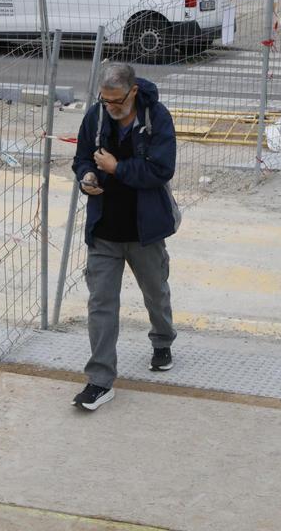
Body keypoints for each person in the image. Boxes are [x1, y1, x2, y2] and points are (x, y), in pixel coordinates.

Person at [71, 63, 178, 412]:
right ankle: (100, 381)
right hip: (104, 230)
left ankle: (162, 341)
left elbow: (162, 169)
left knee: (155, 291)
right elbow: (81, 159)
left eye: (117, 101)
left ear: (133, 91)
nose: (111, 107)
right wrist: (87, 177)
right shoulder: (96, 115)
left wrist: (118, 168)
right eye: (105, 100)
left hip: (145, 230)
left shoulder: (157, 117)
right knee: (101, 303)